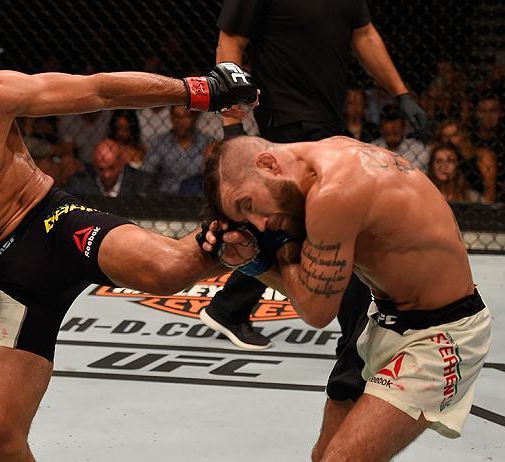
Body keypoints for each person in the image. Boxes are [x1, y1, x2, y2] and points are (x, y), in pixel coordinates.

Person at [0, 26, 256, 461]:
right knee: (0, 441)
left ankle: (245, 233)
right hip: (11, 274)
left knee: (169, 269)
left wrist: (198, 90)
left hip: (56, 222)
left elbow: (98, 92)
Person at [199, 135, 491, 461]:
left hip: (441, 334)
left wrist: (266, 253)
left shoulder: (333, 193)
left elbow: (317, 311)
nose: (258, 221)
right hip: (384, 318)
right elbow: (314, 291)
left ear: (269, 165)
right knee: (322, 455)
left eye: (249, 205)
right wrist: (254, 261)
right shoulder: (322, 160)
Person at [200, 0, 429, 357]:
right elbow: (229, 44)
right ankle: (356, 343)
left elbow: (365, 35)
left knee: (306, 225)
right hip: (288, 118)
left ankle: (229, 307)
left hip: (326, 118)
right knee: (337, 223)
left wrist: (402, 94)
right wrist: (233, 125)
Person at [141, 105, 212, 194]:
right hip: (166, 197)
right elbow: (147, 172)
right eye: (177, 117)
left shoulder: (207, 142)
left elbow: (211, 175)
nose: (181, 122)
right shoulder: (159, 142)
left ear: (193, 117)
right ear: (171, 118)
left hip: (197, 196)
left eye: (185, 116)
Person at [64, 139, 151, 197]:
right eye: (100, 169)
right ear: (94, 164)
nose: (106, 175)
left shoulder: (142, 183)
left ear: (121, 163)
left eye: (111, 168)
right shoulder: (79, 183)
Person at [372, 105, 430, 172]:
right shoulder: (371, 149)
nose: (392, 138)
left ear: (404, 128)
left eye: (396, 133)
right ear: (381, 129)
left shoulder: (421, 151)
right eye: (388, 134)